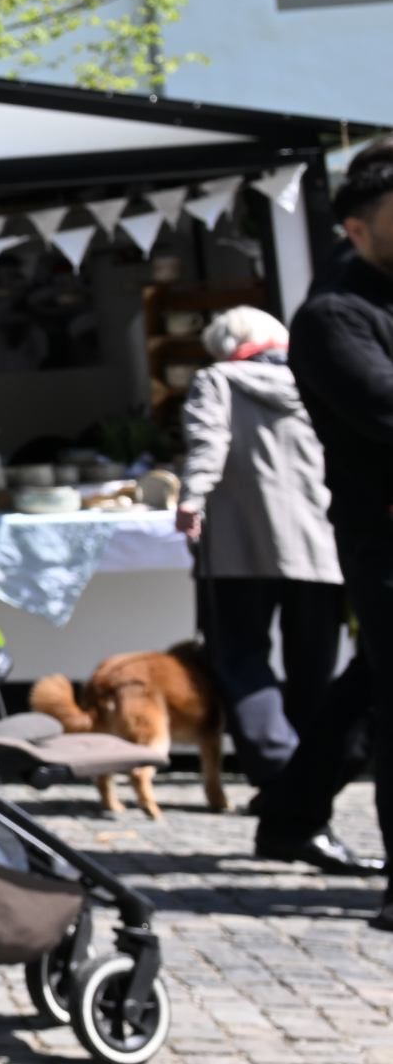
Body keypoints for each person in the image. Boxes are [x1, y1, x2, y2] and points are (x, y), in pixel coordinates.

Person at [180, 306, 373, 873]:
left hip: (240, 550)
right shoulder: (317, 380)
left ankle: (280, 771)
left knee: (239, 657)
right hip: (319, 548)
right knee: (312, 669)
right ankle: (304, 787)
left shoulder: (217, 380)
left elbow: (206, 442)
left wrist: (192, 498)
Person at [280, 152, 393, 927]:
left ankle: (289, 813)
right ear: (356, 228)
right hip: (383, 540)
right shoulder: (332, 316)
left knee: (366, 687)